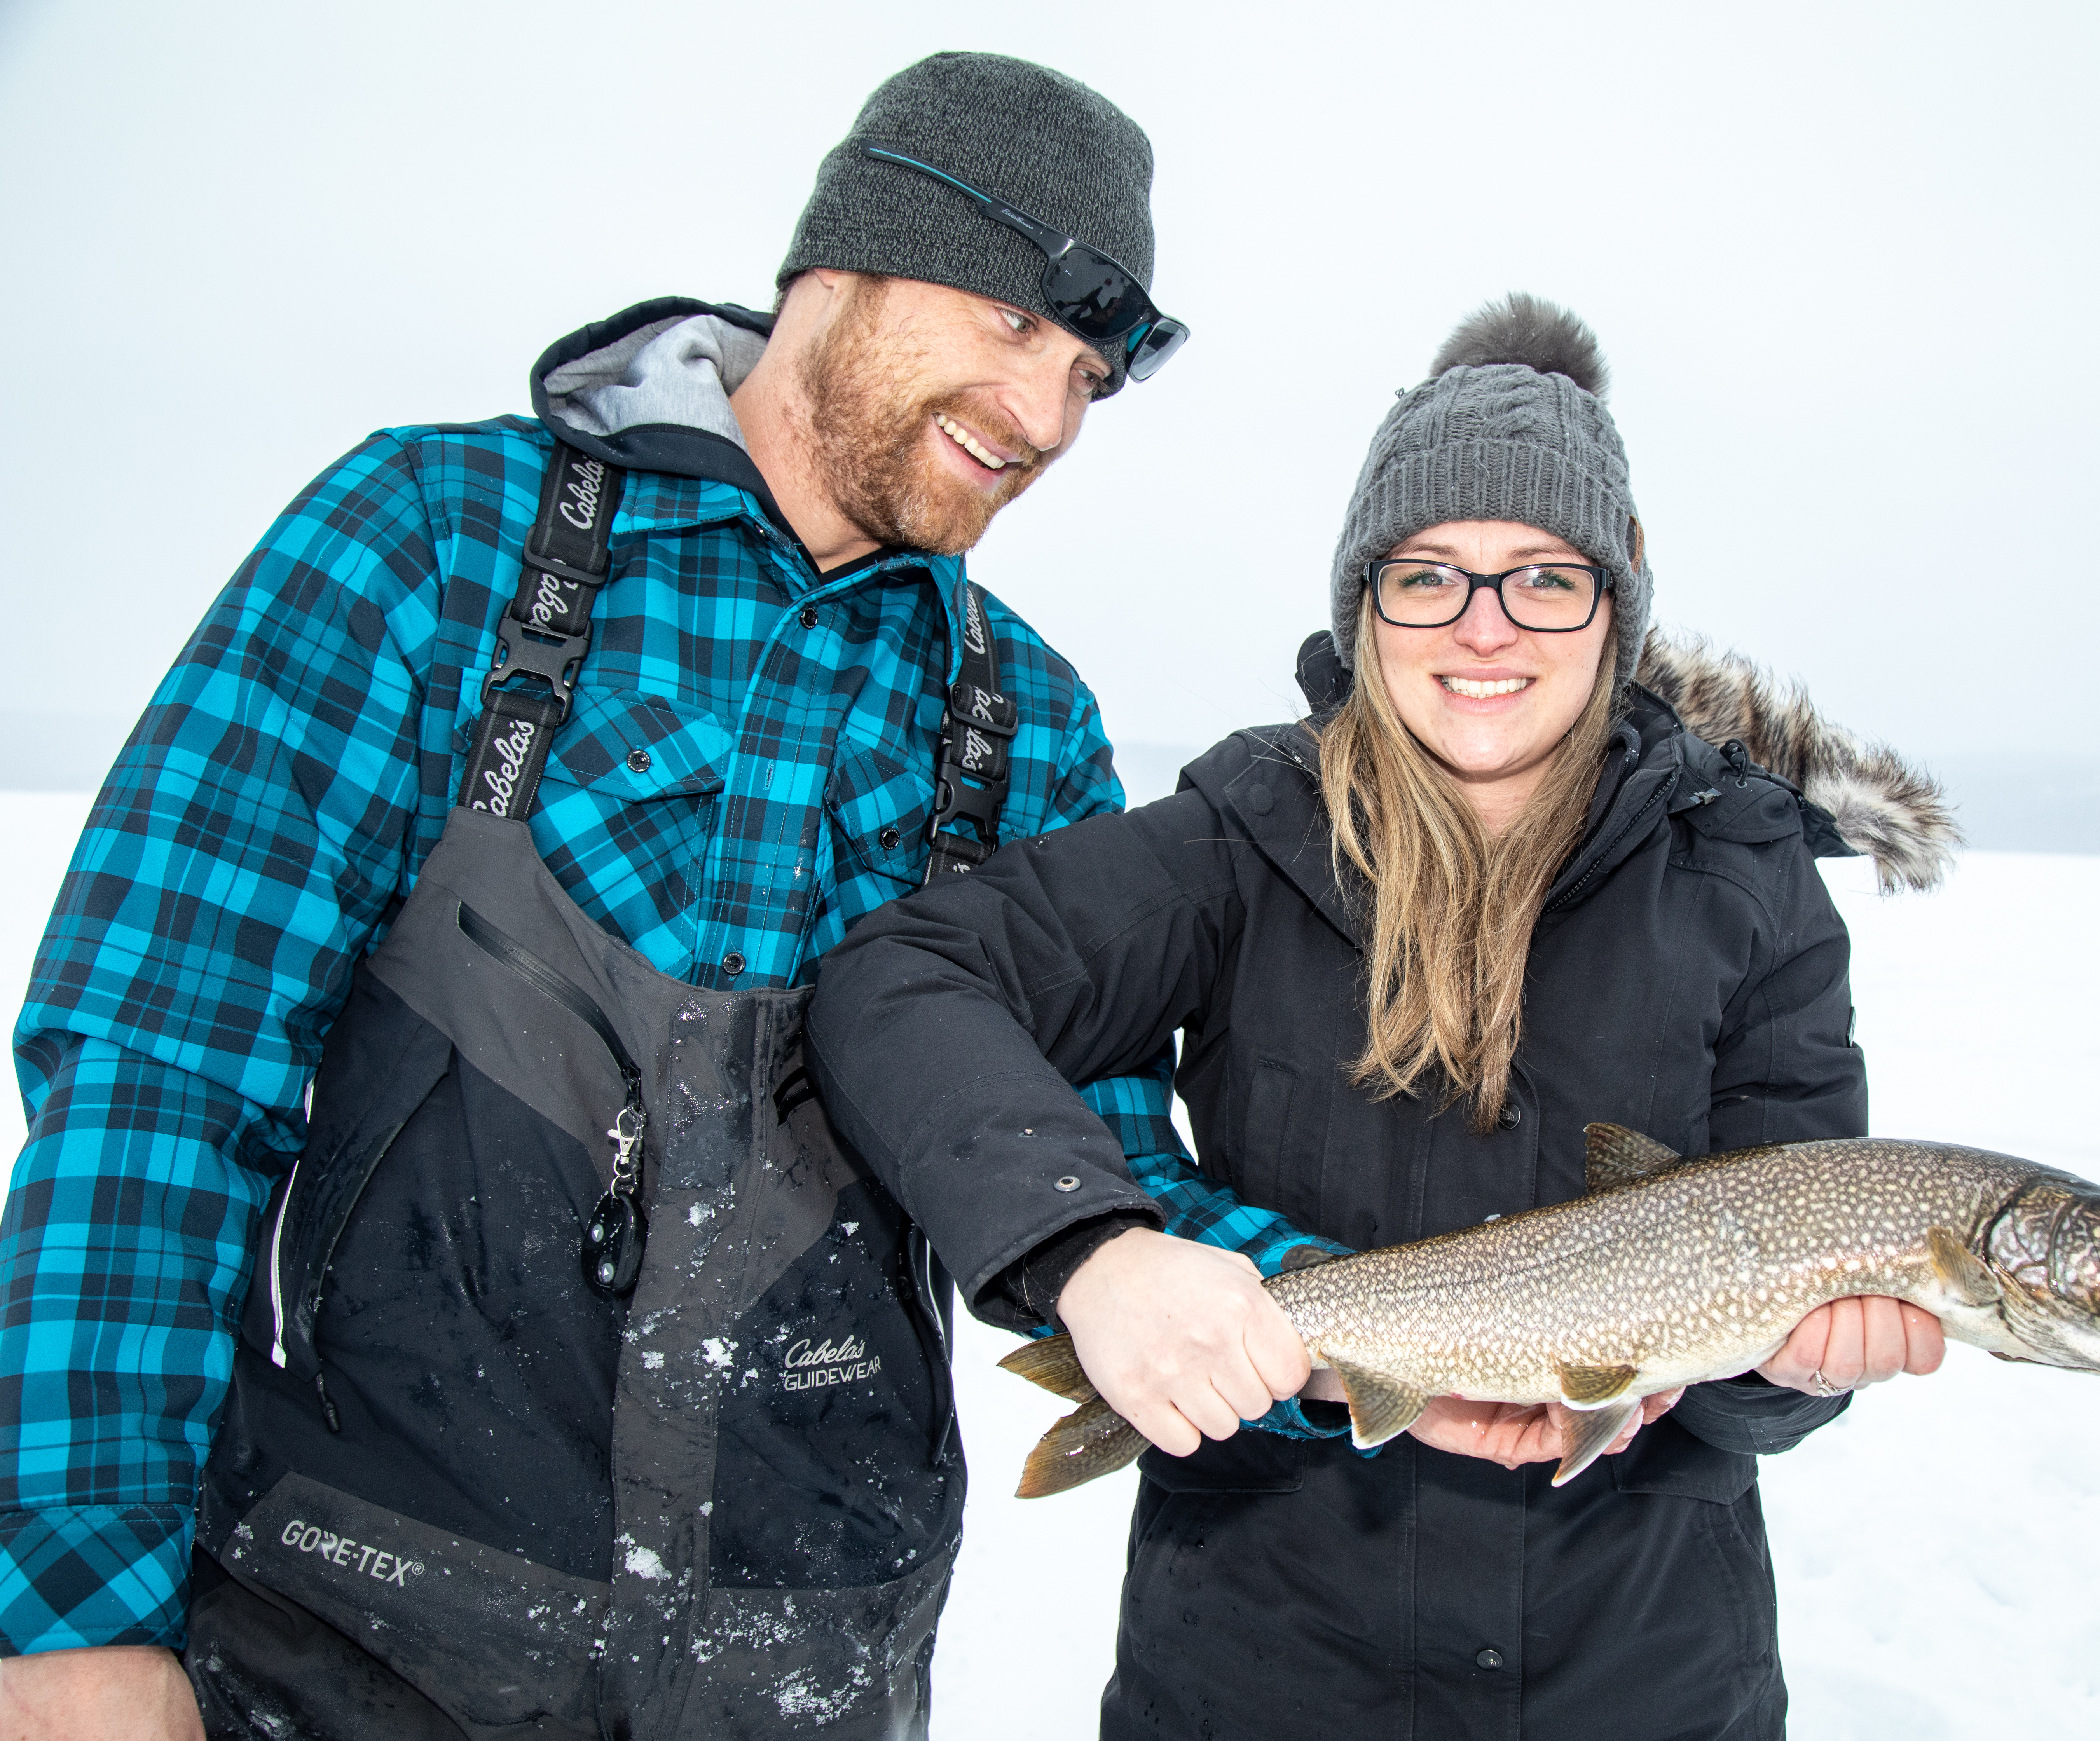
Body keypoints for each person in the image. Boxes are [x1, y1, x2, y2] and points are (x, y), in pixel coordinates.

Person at [0, 51, 1305, 1741]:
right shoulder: (430, 547)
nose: (1046, 418)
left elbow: (1105, 1178)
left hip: (811, 1666)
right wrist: (74, 1620)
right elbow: (161, 1076)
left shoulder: (1026, 721)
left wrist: (1473, 1332)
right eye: (1011, 327)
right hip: (355, 1645)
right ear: (846, 260)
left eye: (1086, 377)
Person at [803, 295, 1964, 1739]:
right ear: (1364, 605)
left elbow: (1756, 1373)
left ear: (1618, 606)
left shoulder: (1747, 882)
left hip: (1643, 1684)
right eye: (1429, 577)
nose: (1486, 630)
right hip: (1258, 1678)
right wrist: (1088, 1248)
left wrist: (1791, 1374)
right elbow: (899, 983)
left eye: (1544, 578)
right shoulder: (1242, 837)